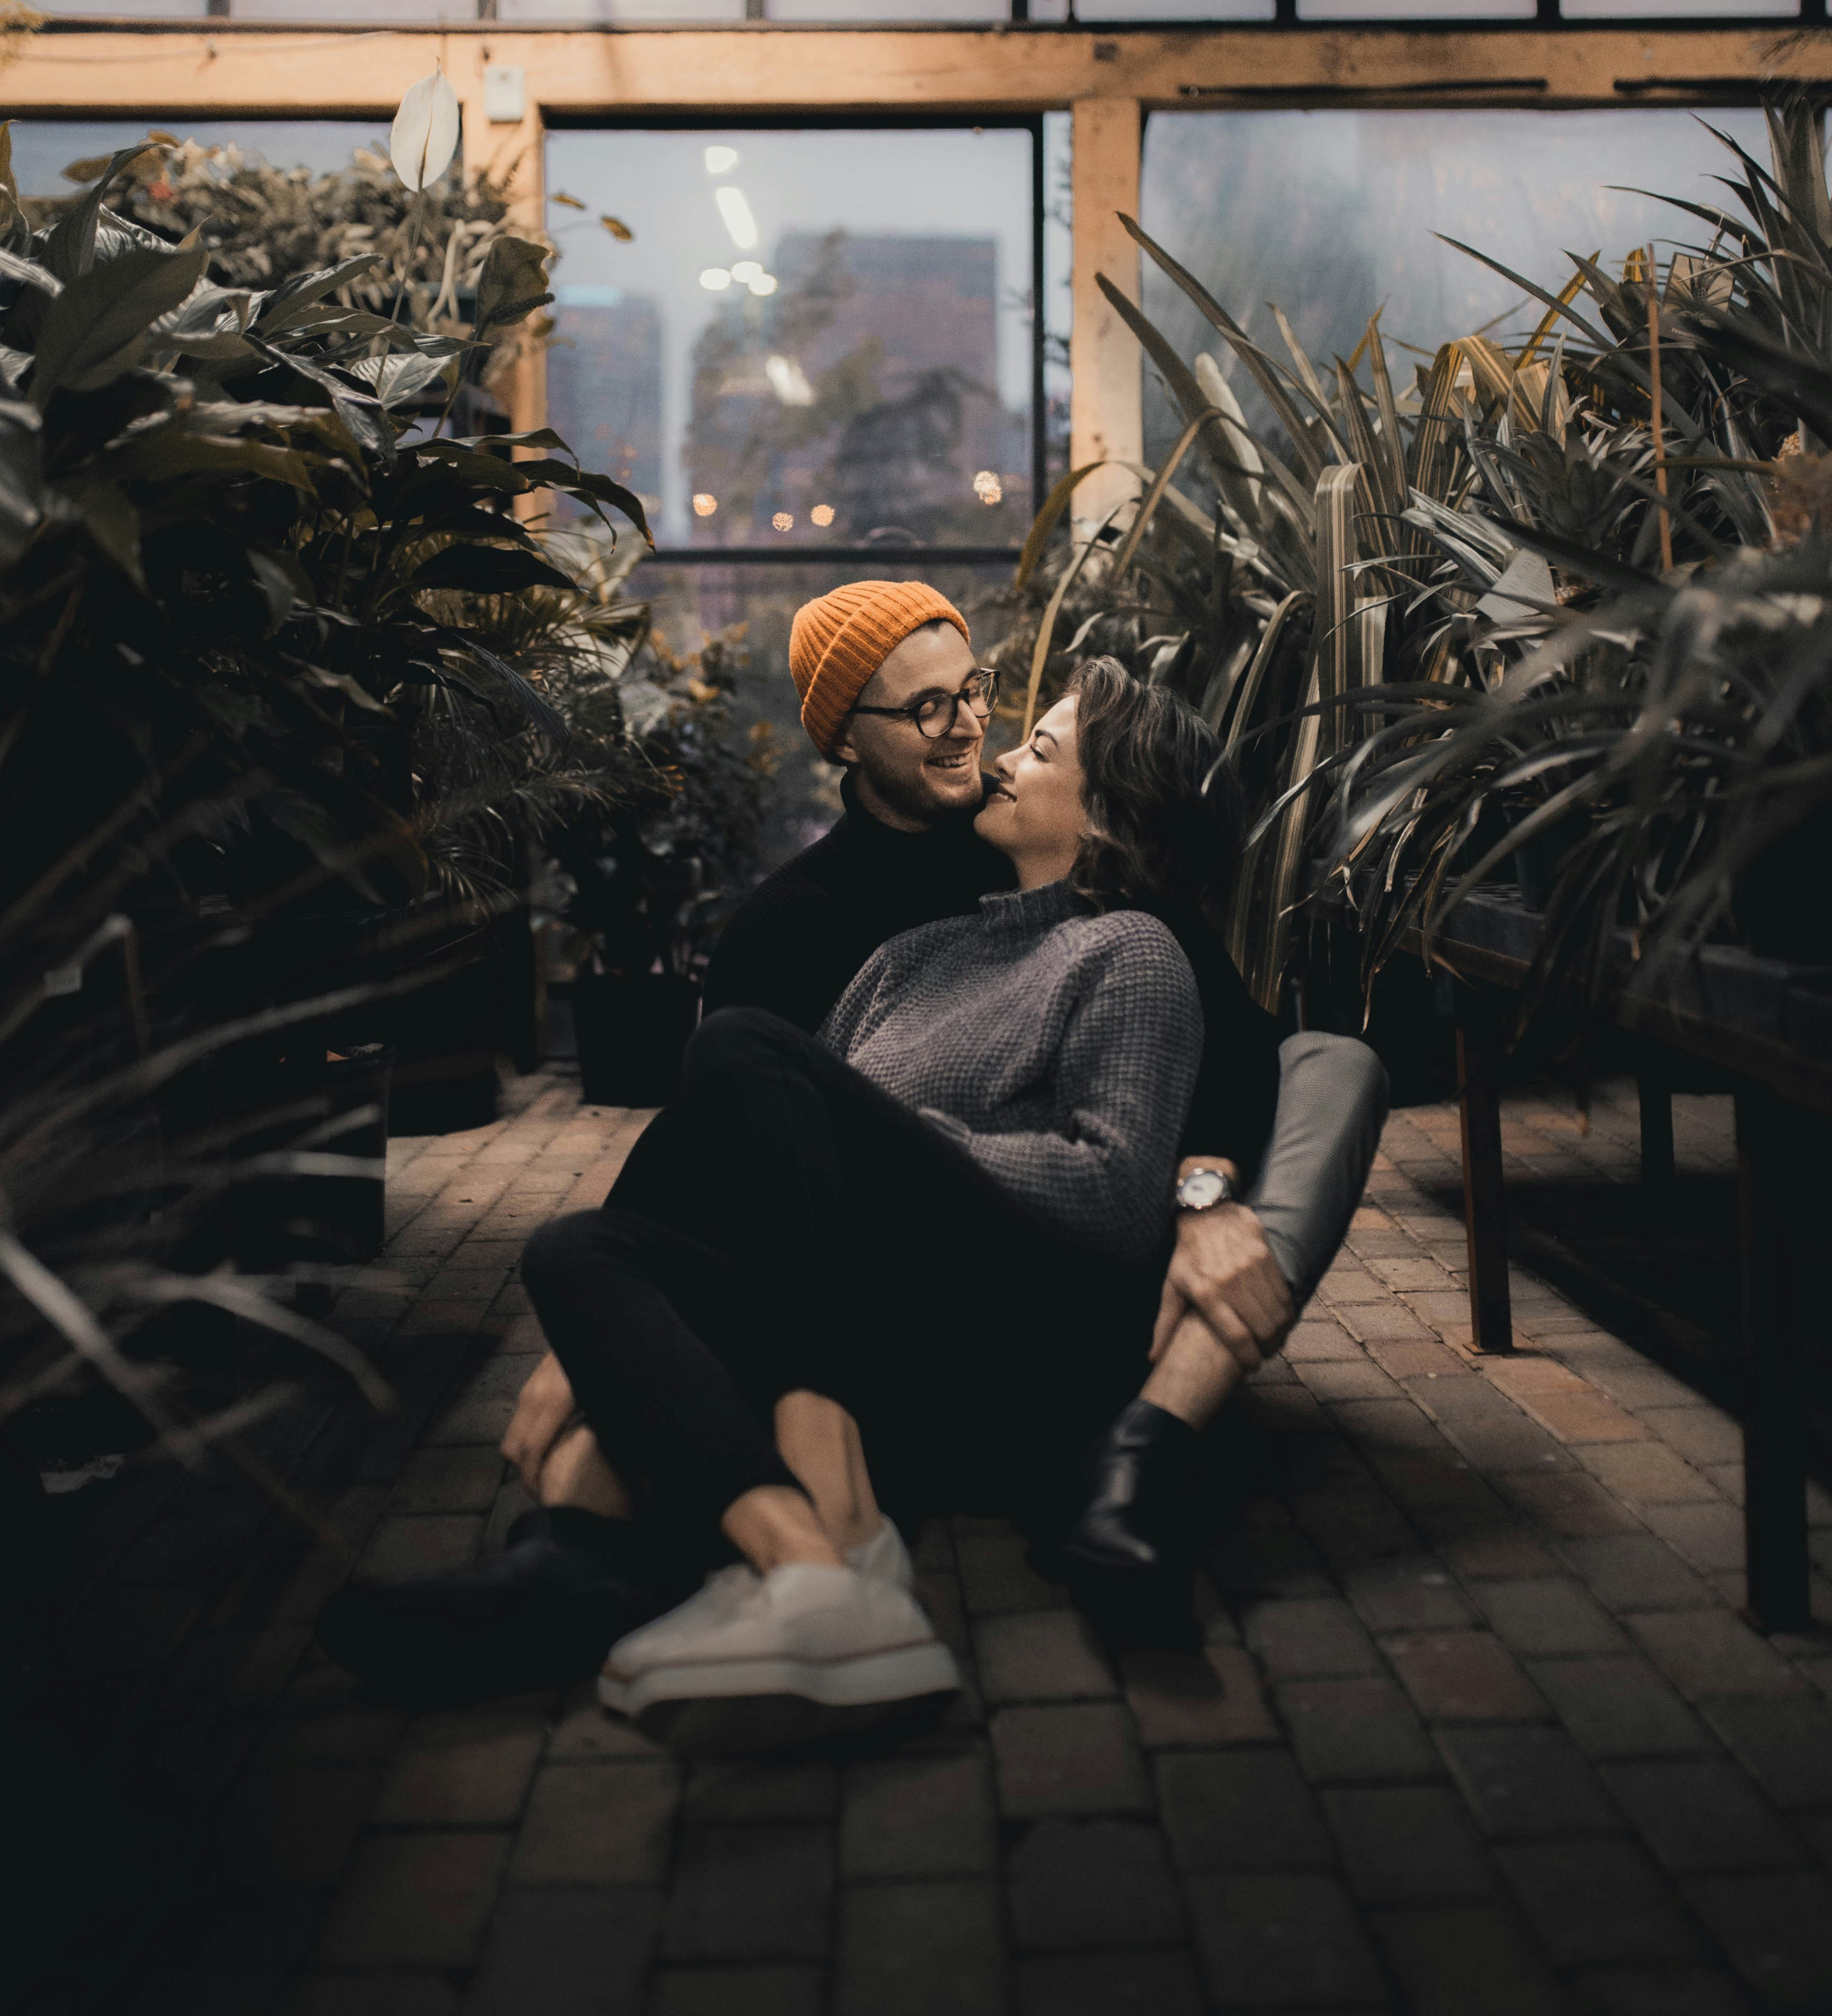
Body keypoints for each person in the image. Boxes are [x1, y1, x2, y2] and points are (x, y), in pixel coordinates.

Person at [318, 588, 1315, 1705]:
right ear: (846, 736)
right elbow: (720, 1131)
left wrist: (1209, 1186)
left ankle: (784, 1543)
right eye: (926, 706)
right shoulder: (819, 932)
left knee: (751, 1064)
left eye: (979, 694)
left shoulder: (1115, 930)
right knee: (576, 1252)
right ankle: (610, 1567)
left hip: (978, 1299)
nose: (970, 730)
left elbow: (1228, 1051)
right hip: (836, 1255)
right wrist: (585, 1342)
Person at [517, 654, 1232, 1749]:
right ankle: (808, 1565)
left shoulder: (1128, 954)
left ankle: (803, 1539)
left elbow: (1115, 1198)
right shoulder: (910, 959)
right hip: (867, 1311)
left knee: (744, 1043)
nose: (998, 754)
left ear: (1103, 816)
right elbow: (763, 1152)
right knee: (578, 1250)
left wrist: (891, 1139)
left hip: (1021, 1324)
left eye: (1037, 749)